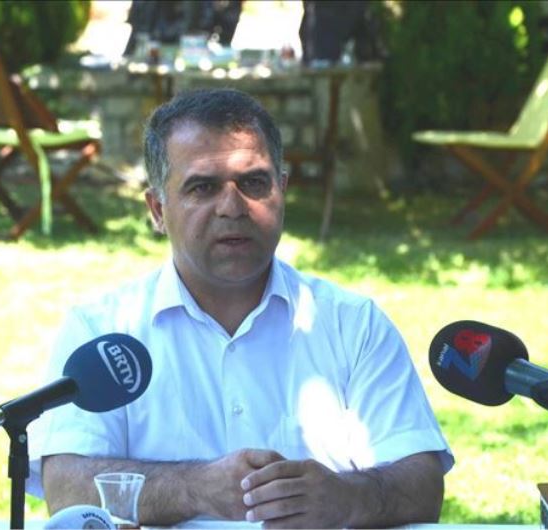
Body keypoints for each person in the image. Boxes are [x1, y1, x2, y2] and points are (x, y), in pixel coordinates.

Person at [27, 88, 453, 528]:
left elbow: (422, 483)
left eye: (253, 183)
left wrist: (346, 497)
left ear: (282, 190)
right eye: (203, 187)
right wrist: (196, 487)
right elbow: (66, 488)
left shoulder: (353, 323)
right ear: (157, 209)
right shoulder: (102, 330)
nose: (232, 208)